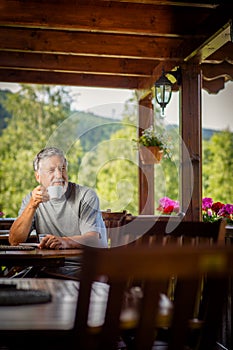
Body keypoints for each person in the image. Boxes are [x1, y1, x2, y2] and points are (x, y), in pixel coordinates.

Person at [9, 147, 107, 279]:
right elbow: (15, 240)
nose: (59, 175)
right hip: (46, 268)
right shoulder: (31, 200)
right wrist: (32, 205)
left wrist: (64, 242)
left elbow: (96, 240)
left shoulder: (85, 196)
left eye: (62, 169)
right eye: (51, 170)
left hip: (80, 269)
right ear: (38, 176)